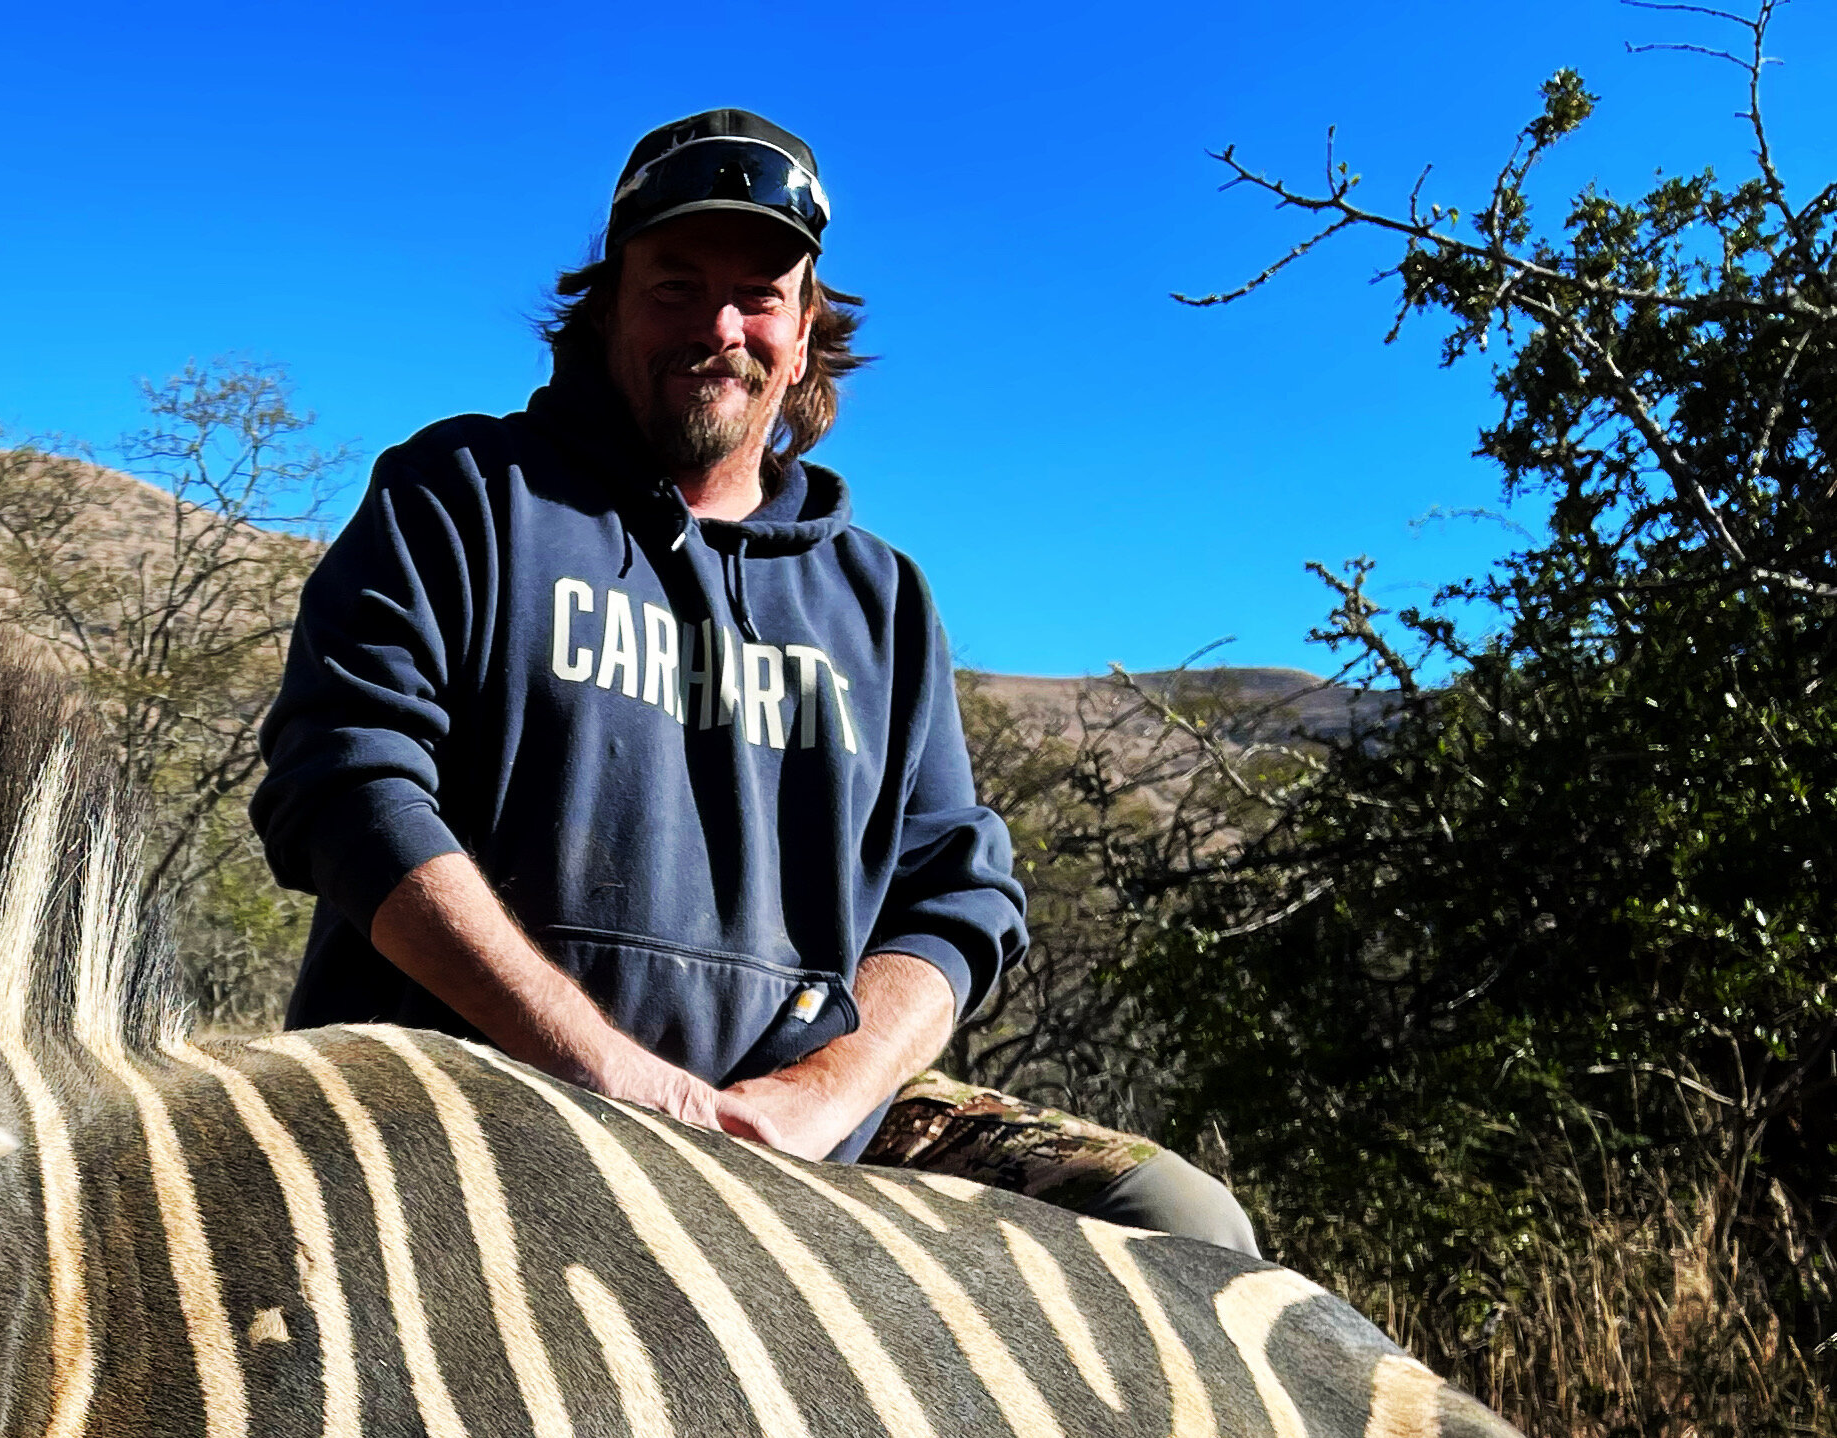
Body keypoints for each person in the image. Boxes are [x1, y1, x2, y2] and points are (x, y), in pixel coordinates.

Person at [249, 106, 1258, 1254]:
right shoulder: (466, 494)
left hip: (790, 1133)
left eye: (758, 294)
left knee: (1176, 1221)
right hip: (481, 1091)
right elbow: (343, 785)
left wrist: (828, 1092)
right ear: (606, 301)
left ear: (806, 321)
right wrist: (605, 1071)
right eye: (673, 285)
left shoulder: (881, 600)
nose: (717, 327)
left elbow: (958, 899)